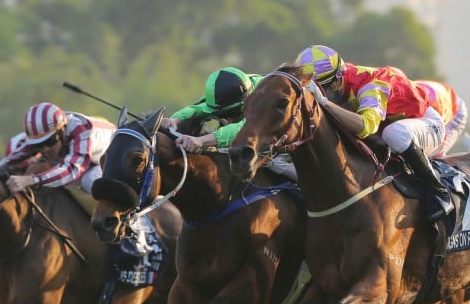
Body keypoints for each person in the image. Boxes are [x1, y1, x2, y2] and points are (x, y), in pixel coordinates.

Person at [294, 44, 452, 220]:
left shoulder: (371, 86)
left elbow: (365, 127)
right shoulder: (337, 79)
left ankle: (439, 191)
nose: (316, 96)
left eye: (321, 90)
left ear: (337, 82)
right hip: (386, 129)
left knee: (394, 133)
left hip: (427, 124)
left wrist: (324, 102)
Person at [159, 66, 298, 182]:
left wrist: (201, 141)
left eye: (234, 114)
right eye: (223, 115)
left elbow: (241, 128)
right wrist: (174, 120)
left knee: (275, 164)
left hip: (290, 135)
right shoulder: (216, 97)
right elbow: (196, 109)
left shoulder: (261, 96)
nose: (229, 120)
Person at [0, 102, 116, 195]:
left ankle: (133, 220)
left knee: (90, 180)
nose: (45, 149)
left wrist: (31, 180)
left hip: (113, 158)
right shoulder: (47, 131)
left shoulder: (81, 131)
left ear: (62, 131)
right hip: (89, 160)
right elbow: (11, 159)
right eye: (38, 145)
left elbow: (72, 170)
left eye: (50, 141)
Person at [415, 79, 468, 158]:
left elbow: (441, 134)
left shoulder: (430, 106)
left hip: (454, 110)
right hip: (438, 95)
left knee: (435, 151)